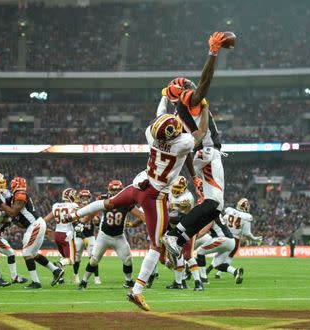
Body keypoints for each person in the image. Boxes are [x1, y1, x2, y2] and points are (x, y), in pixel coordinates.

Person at [64, 110, 209, 311]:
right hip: (155, 195)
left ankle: (73, 215)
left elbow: (152, 125)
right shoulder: (182, 143)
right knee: (156, 246)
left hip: (139, 186)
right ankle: (137, 291)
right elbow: (201, 131)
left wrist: (170, 114)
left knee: (109, 202)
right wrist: (203, 108)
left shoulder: (152, 136)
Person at [158, 32, 232, 257]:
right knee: (214, 202)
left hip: (201, 155)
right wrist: (213, 53)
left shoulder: (177, 115)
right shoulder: (188, 99)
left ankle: (178, 238)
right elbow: (205, 84)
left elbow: (187, 147)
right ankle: (175, 234)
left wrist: (194, 176)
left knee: (214, 207)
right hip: (208, 152)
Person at [0, 176, 64, 289]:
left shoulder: (20, 194)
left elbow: (12, 212)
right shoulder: (16, 196)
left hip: (35, 225)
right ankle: (56, 271)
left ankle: (36, 282)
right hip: (34, 225)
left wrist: (0, 204)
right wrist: (14, 219)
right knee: (33, 254)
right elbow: (21, 224)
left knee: (26, 253)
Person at [78, 180, 144, 290]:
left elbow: (139, 214)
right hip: (104, 236)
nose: (115, 192)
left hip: (119, 236)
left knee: (128, 259)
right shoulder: (104, 199)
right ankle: (84, 281)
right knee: (94, 260)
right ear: (109, 190)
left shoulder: (127, 201)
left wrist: (148, 218)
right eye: (113, 190)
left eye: (118, 190)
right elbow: (93, 212)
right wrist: (82, 222)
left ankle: (128, 281)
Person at [214, 198, 262, 279]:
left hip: (224, 236)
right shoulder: (247, 217)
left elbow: (224, 219)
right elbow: (247, 233)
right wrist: (255, 239)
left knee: (219, 257)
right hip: (235, 240)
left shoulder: (229, 210)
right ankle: (226, 272)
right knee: (229, 257)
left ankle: (217, 273)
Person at [44, 188, 80, 284]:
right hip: (67, 235)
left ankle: (60, 278)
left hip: (57, 234)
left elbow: (46, 219)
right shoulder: (73, 205)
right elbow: (79, 217)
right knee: (71, 259)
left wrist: (42, 226)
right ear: (70, 195)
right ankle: (57, 266)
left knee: (64, 257)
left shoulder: (56, 205)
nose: (76, 197)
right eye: (74, 195)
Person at [196, 216, 244, 284]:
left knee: (200, 252)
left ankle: (204, 279)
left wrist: (193, 238)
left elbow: (203, 231)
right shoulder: (217, 214)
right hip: (231, 241)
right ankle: (236, 271)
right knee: (217, 265)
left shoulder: (210, 214)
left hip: (222, 239)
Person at [73, 189, 100, 285]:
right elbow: (73, 221)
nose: (85, 199)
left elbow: (97, 222)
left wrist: (96, 220)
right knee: (77, 257)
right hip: (79, 235)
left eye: (86, 197)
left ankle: (97, 277)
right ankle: (75, 275)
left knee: (93, 256)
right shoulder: (76, 207)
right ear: (80, 198)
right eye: (83, 197)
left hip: (90, 235)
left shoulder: (92, 207)